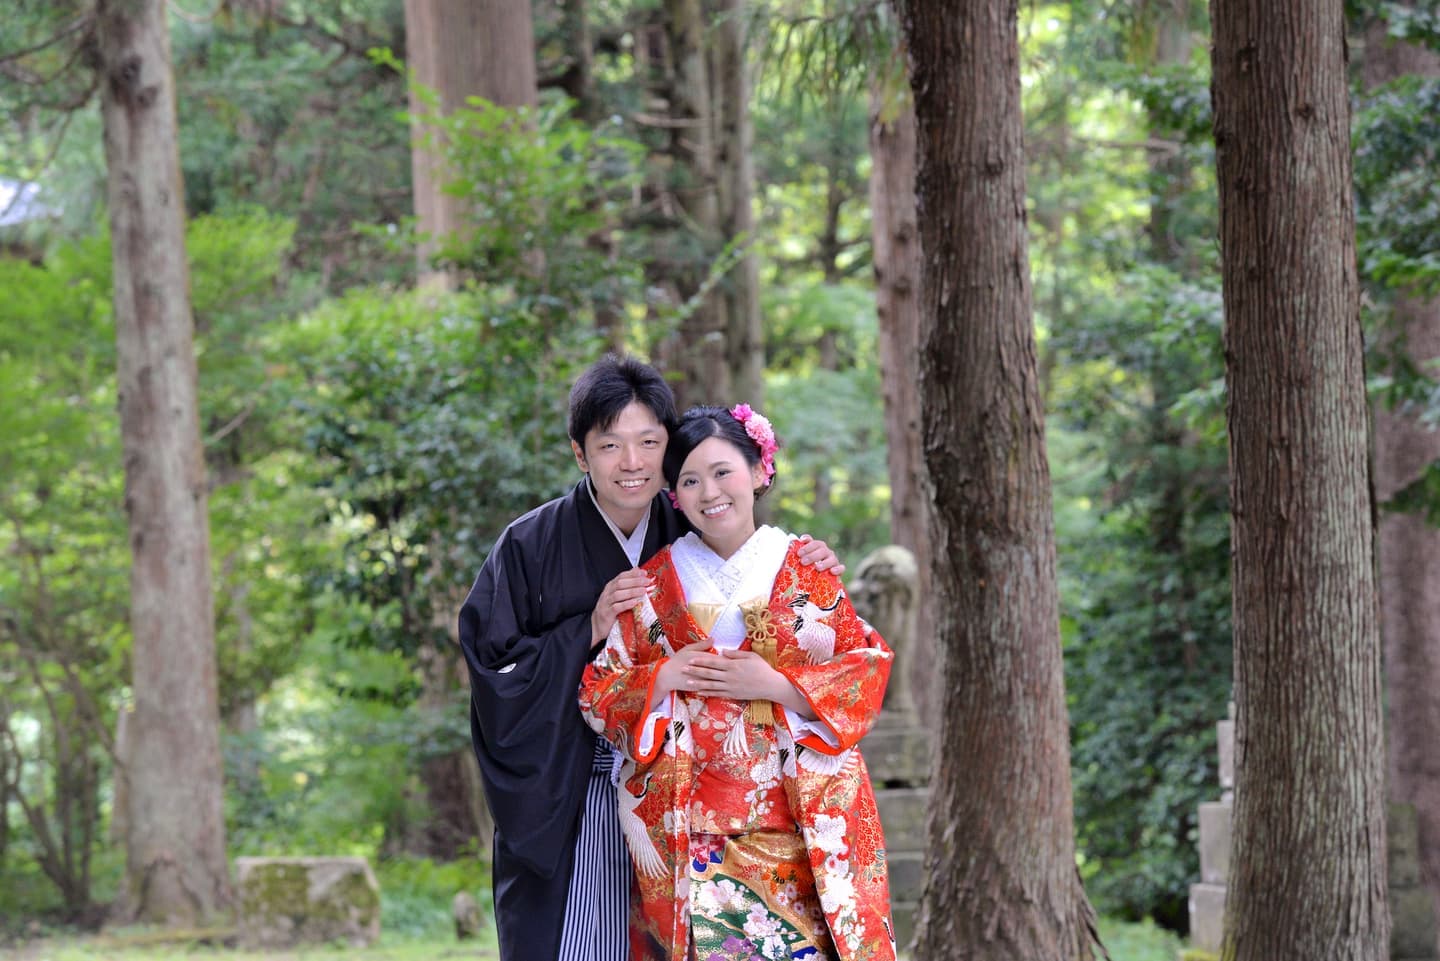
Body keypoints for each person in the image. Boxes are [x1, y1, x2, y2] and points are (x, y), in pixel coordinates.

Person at [457, 357, 843, 961]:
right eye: (610, 445)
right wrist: (586, 629)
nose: (631, 462)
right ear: (581, 454)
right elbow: (492, 672)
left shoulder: (696, 529)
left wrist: (808, 561)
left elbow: (770, 598)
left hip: (691, 794)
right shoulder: (529, 544)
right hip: (572, 790)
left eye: (648, 442)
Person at [579, 403, 896, 961]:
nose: (709, 492)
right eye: (690, 481)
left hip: (799, 822)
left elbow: (865, 666)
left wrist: (776, 685)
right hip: (688, 831)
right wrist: (662, 675)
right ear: (674, 495)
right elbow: (598, 691)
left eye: (723, 472)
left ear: (759, 470)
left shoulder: (806, 568)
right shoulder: (650, 582)